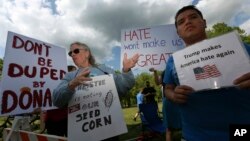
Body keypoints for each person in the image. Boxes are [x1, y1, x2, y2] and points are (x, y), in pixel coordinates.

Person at [163, 5, 250, 141]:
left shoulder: (239, 47)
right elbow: (167, 89)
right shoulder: (172, 61)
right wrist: (174, 95)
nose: (188, 22)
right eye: (181, 22)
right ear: (178, 32)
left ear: (204, 23)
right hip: (193, 135)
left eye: (193, 17)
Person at [53, 41, 139, 141]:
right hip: (83, 134)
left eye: (75, 51)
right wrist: (71, 85)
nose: (72, 54)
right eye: (70, 53)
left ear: (87, 53)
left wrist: (126, 70)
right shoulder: (70, 76)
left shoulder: (104, 70)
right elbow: (56, 101)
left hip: (109, 131)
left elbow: (124, 86)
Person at [44, 65, 77, 136]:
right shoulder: (59, 84)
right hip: (54, 119)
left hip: (69, 119)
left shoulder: (75, 85)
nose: (75, 74)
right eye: (73, 72)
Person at [150, 68, 181, 141]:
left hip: (181, 99)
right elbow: (158, 82)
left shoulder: (181, 66)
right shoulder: (166, 71)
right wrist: (155, 72)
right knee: (169, 129)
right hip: (169, 101)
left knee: (187, 125)